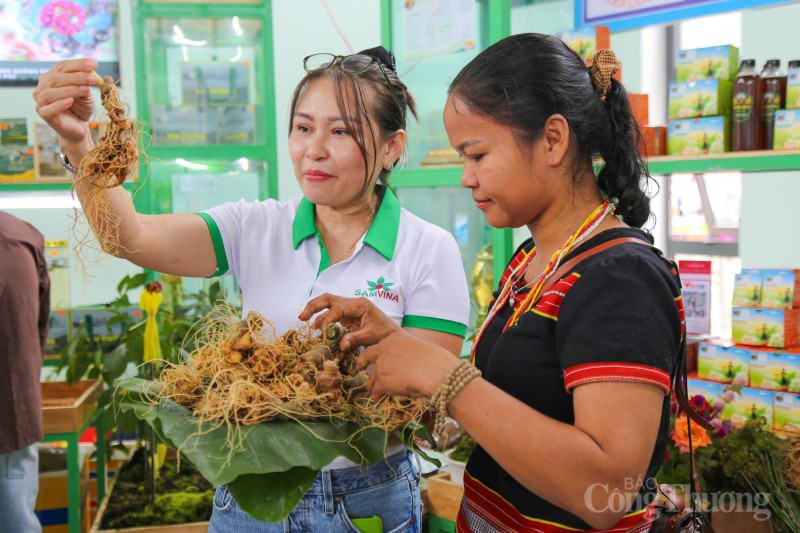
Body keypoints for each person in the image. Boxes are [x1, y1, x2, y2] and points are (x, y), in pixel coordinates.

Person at [33, 47, 469, 532]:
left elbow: (424, 399)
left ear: (392, 147)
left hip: (364, 498)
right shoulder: (253, 226)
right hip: (248, 499)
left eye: (341, 131)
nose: (314, 149)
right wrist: (78, 145)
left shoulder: (429, 248)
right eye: (303, 128)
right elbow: (130, 237)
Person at [303, 33, 683, 532]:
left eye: (476, 155)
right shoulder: (533, 259)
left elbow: (605, 493)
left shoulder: (619, 278)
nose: (466, 177)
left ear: (552, 139)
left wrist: (443, 376)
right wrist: (397, 347)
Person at [0, 211, 51, 533]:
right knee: (16, 521)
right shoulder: (22, 234)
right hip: (13, 415)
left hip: (11, 420)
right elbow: (39, 329)